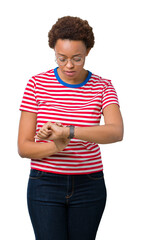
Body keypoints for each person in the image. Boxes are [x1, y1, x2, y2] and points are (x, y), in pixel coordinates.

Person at [18, 16, 124, 240]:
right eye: (61, 58)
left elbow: (116, 131)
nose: (69, 65)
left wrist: (69, 131)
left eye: (77, 58)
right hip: (44, 183)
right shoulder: (36, 84)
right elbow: (23, 147)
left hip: (90, 183)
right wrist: (56, 146)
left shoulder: (103, 86)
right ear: (53, 52)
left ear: (87, 52)